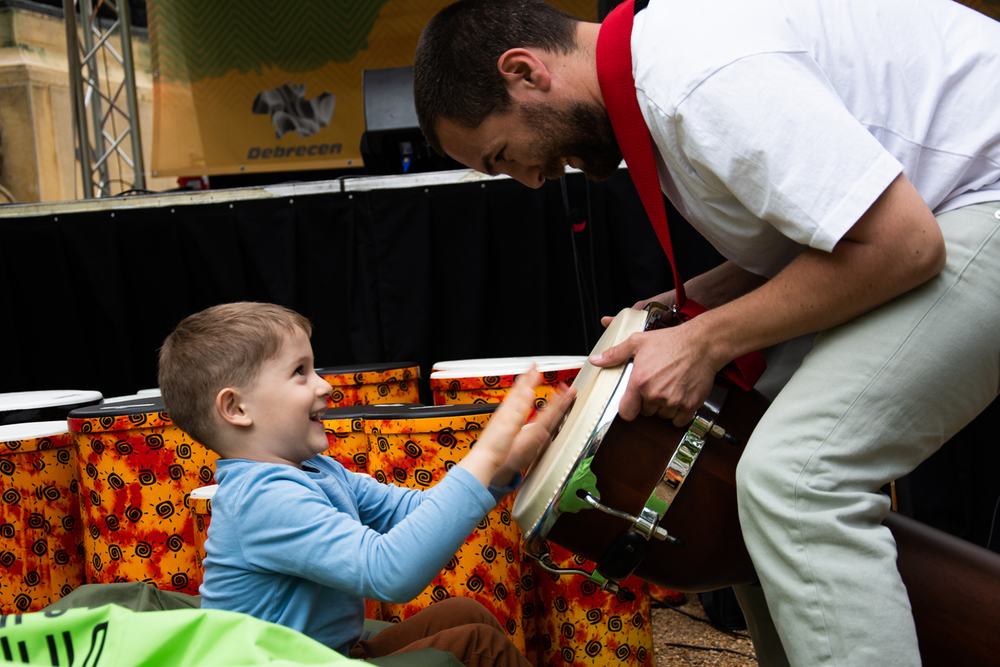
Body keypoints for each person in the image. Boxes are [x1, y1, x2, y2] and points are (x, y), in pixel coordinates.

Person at [412, 1, 1000, 665]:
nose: (530, 178)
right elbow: (824, 231)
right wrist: (691, 304)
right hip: (947, 209)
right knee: (738, 468)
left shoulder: (693, 76)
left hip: (979, 199)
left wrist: (705, 340)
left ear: (525, 72)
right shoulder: (663, 71)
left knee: (796, 476)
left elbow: (900, 242)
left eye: (502, 154)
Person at [157, 301, 574, 665]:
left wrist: (503, 467)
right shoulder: (261, 499)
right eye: (300, 373)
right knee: (475, 646)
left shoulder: (319, 470)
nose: (325, 385)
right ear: (236, 407)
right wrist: (482, 456)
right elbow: (389, 572)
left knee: (463, 615)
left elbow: (415, 513)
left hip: (330, 656)